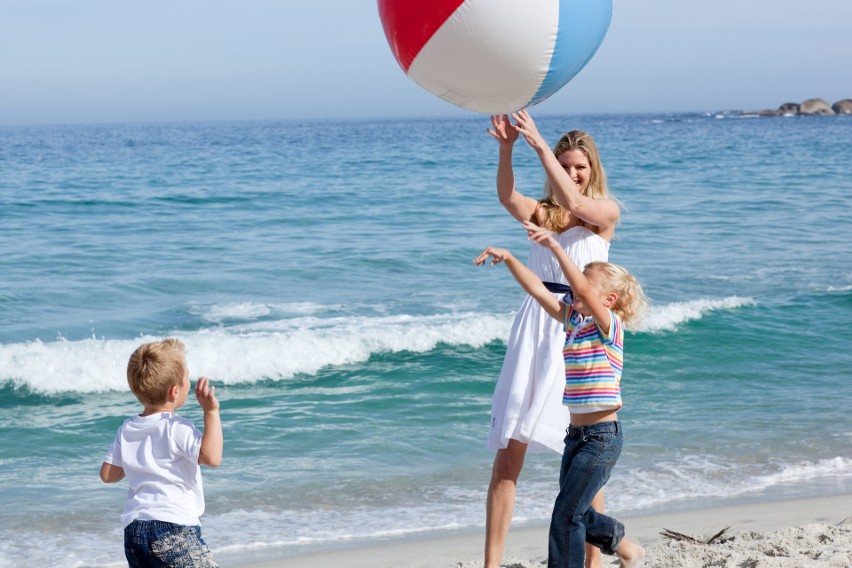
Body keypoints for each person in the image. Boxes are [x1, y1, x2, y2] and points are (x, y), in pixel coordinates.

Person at [485, 111, 619, 568]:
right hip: (535, 327)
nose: (572, 173)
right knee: (509, 451)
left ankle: (595, 561)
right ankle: (491, 563)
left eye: (578, 166)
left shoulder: (604, 214)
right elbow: (507, 196)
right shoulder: (544, 214)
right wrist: (507, 149)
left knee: (586, 459)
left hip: (577, 331)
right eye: (565, 165)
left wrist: (540, 142)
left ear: (592, 168)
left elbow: (579, 207)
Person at [474, 220, 648, 568]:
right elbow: (539, 291)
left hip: (602, 437)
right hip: (576, 437)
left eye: (585, 283)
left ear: (608, 299)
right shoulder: (574, 322)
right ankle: (628, 548)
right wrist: (509, 258)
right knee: (574, 511)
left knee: (565, 516)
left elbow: (582, 289)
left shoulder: (607, 325)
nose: (574, 286)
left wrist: (555, 247)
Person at [100, 338, 223, 568]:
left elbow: (108, 475)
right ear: (175, 391)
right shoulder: (176, 426)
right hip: (173, 528)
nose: (189, 382)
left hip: (134, 532)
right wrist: (211, 413)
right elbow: (211, 458)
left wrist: (139, 460)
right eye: (187, 378)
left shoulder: (128, 428)